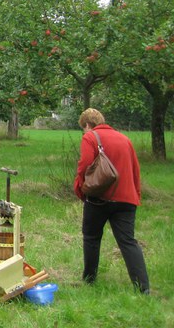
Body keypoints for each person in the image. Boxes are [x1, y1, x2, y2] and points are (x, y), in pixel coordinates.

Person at [74, 108, 150, 294]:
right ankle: (143, 288)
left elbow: (84, 165)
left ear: (87, 124)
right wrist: (136, 194)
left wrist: (80, 188)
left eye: (83, 128)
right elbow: (135, 170)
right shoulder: (125, 139)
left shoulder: (90, 138)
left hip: (99, 199)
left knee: (91, 238)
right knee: (128, 242)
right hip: (126, 199)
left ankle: (90, 279)